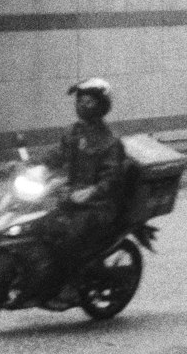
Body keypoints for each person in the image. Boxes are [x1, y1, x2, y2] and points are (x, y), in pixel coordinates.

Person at [48, 78, 132, 265]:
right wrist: (30, 166)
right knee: (39, 226)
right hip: (70, 196)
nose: (82, 105)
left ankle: (71, 286)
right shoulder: (72, 132)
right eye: (79, 101)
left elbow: (112, 178)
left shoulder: (110, 141)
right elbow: (54, 156)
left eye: (88, 102)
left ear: (101, 105)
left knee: (69, 238)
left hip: (98, 206)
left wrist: (92, 191)